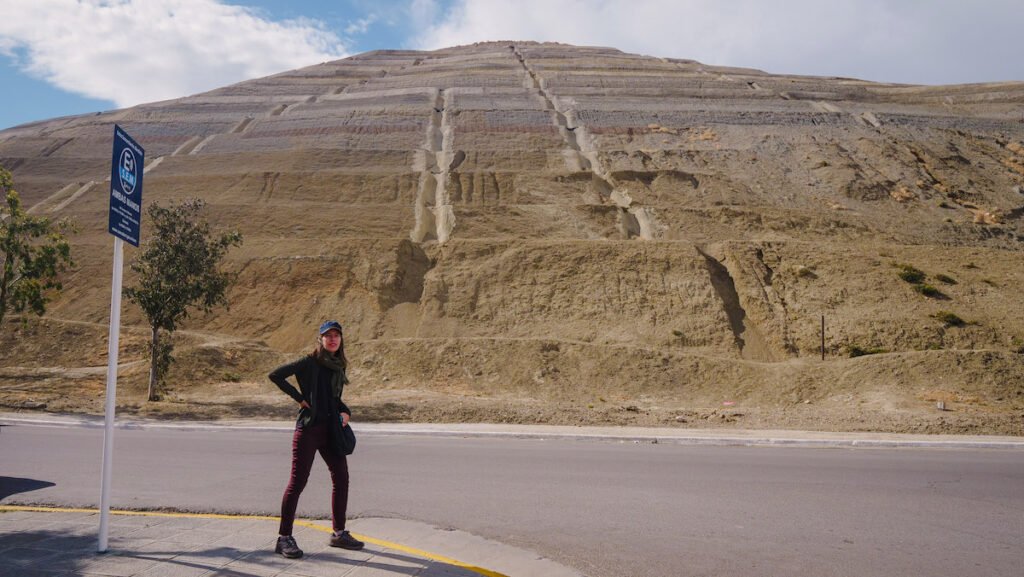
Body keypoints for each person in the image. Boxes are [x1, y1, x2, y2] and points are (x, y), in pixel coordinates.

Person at [269, 320, 364, 558]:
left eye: (336, 335)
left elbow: (333, 398)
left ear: (341, 340)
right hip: (309, 430)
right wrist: (300, 398)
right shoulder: (309, 363)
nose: (332, 339)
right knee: (297, 482)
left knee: (341, 478)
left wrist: (346, 411)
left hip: (330, 430)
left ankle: (339, 533)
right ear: (320, 339)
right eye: (327, 335)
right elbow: (276, 375)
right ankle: (283, 538)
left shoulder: (338, 365)